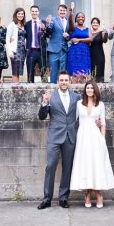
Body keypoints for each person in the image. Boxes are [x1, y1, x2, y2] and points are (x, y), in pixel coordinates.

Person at [38, 71, 80, 209]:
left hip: (70, 136)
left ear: (70, 81)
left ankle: (63, 198)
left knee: (67, 168)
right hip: (55, 137)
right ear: (58, 81)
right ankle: (47, 199)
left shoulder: (76, 97)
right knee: (50, 166)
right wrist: (44, 103)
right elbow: (42, 117)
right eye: (61, 80)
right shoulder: (50, 96)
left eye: (66, 80)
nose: (63, 82)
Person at [70, 81, 114, 208]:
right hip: (83, 138)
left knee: (96, 165)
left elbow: (103, 123)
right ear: (85, 90)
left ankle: (98, 194)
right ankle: (88, 194)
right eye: (87, 88)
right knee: (85, 164)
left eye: (91, 88)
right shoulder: (79, 104)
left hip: (96, 138)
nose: (89, 90)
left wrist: (102, 139)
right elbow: (73, 120)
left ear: (95, 90)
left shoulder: (100, 105)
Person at [66, 4, 92, 83]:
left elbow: (91, 39)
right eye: (79, 17)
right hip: (74, 52)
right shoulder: (73, 28)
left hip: (84, 52)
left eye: (82, 17)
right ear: (76, 19)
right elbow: (70, 21)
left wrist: (79, 40)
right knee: (74, 72)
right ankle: (74, 89)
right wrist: (71, 13)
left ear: (84, 19)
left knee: (84, 73)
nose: (81, 18)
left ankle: (83, 89)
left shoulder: (88, 29)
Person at [45, 4, 70, 83]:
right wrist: (48, 25)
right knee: (53, 71)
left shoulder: (68, 22)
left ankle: (62, 88)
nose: (62, 12)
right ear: (58, 11)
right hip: (54, 49)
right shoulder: (53, 20)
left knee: (63, 72)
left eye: (64, 10)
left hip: (64, 50)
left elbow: (70, 35)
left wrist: (67, 36)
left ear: (66, 12)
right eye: (61, 10)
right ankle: (53, 88)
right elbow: (49, 31)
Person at [25, 5, 47, 82]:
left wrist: (44, 29)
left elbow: (48, 35)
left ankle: (45, 91)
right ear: (30, 12)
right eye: (33, 11)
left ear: (39, 12)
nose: (34, 13)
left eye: (36, 11)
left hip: (41, 51)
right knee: (30, 73)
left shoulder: (44, 23)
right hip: (31, 51)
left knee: (43, 73)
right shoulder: (26, 24)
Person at [6, 8, 27, 83]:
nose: (20, 15)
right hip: (15, 51)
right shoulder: (12, 24)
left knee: (19, 71)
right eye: (19, 13)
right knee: (15, 71)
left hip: (22, 51)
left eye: (22, 14)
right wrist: (10, 52)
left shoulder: (24, 25)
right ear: (16, 14)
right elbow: (7, 39)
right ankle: (15, 89)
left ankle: (16, 87)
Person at [88, 17, 109, 82]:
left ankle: (99, 90)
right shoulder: (88, 33)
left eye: (97, 23)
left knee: (99, 73)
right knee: (92, 73)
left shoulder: (101, 32)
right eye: (93, 23)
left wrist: (105, 33)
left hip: (99, 56)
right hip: (90, 55)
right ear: (91, 24)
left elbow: (105, 41)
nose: (95, 24)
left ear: (99, 24)